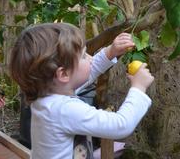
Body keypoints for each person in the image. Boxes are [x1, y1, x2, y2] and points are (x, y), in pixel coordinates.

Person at [8, 23, 154, 159]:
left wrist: (110, 52)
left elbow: (86, 74)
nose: (90, 59)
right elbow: (121, 125)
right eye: (84, 55)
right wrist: (139, 88)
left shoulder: (50, 97)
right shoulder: (64, 110)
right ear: (63, 74)